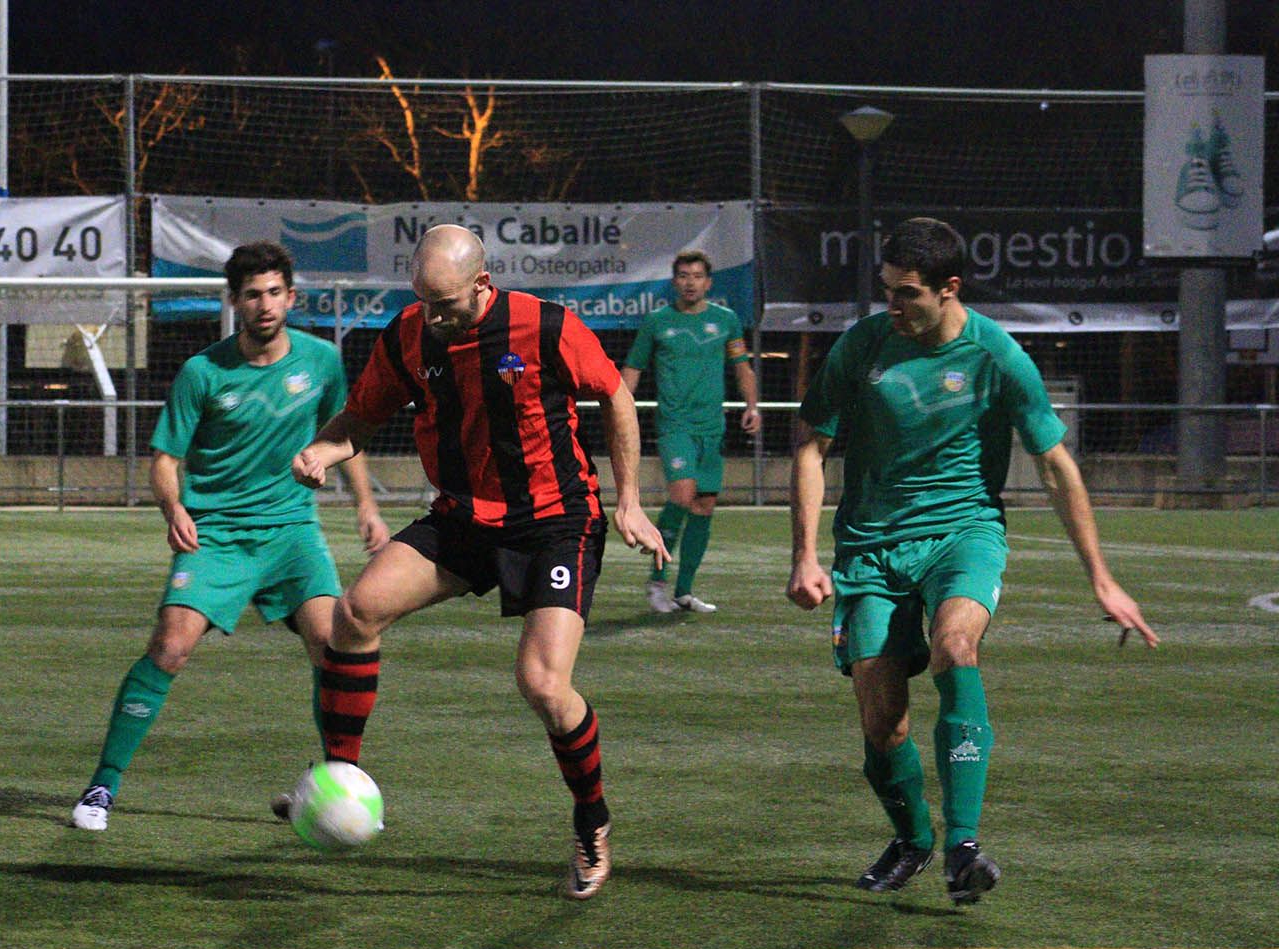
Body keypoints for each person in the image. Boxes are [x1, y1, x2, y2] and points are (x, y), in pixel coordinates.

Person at [291, 224, 669, 900]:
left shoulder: (545, 325)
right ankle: (338, 780)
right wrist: (324, 450)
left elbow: (614, 393)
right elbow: (361, 417)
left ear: (484, 286)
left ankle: (592, 818)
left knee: (544, 685)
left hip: (555, 520)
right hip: (465, 518)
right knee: (355, 613)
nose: (434, 318)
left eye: (448, 304)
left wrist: (631, 499)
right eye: (425, 303)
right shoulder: (409, 333)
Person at [786, 217, 1158, 904]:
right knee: (882, 720)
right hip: (871, 544)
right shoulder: (862, 348)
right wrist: (805, 554)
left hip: (965, 531)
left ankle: (964, 847)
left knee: (956, 646)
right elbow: (812, 447)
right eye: (887, 291)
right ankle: (914, 839)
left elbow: (1054, 464)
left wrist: (1101, 578)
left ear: (949, 289)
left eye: (906, 294)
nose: (891, 306)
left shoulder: (998, 355)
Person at [71, 242, 388, 832]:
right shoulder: (203, 371)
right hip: (217, 533)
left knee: (334, 645)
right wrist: (172, 508)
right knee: (171, 645)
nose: (264, 305)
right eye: (252, 295)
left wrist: (366, 506)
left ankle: (337, 786)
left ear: (291, 298)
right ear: (234, 302)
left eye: (274, 293)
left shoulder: (321, 362)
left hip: (292, 530)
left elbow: (346, 434)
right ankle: (102, 786)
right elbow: (165, 459)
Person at [622, 251, 760, 613]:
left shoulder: (726, 321)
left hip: (712, 427)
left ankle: (684, 591)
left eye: (697, 276)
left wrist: (751, 406)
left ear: (708, 283)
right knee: (682, 496)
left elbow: (742, 367)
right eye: (683, 275)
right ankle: (657, 581)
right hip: (674, 426)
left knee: (704, 505)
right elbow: (633, 369)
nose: (690, 282)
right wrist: (619, 411)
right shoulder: (657, 322)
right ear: (674, 281)